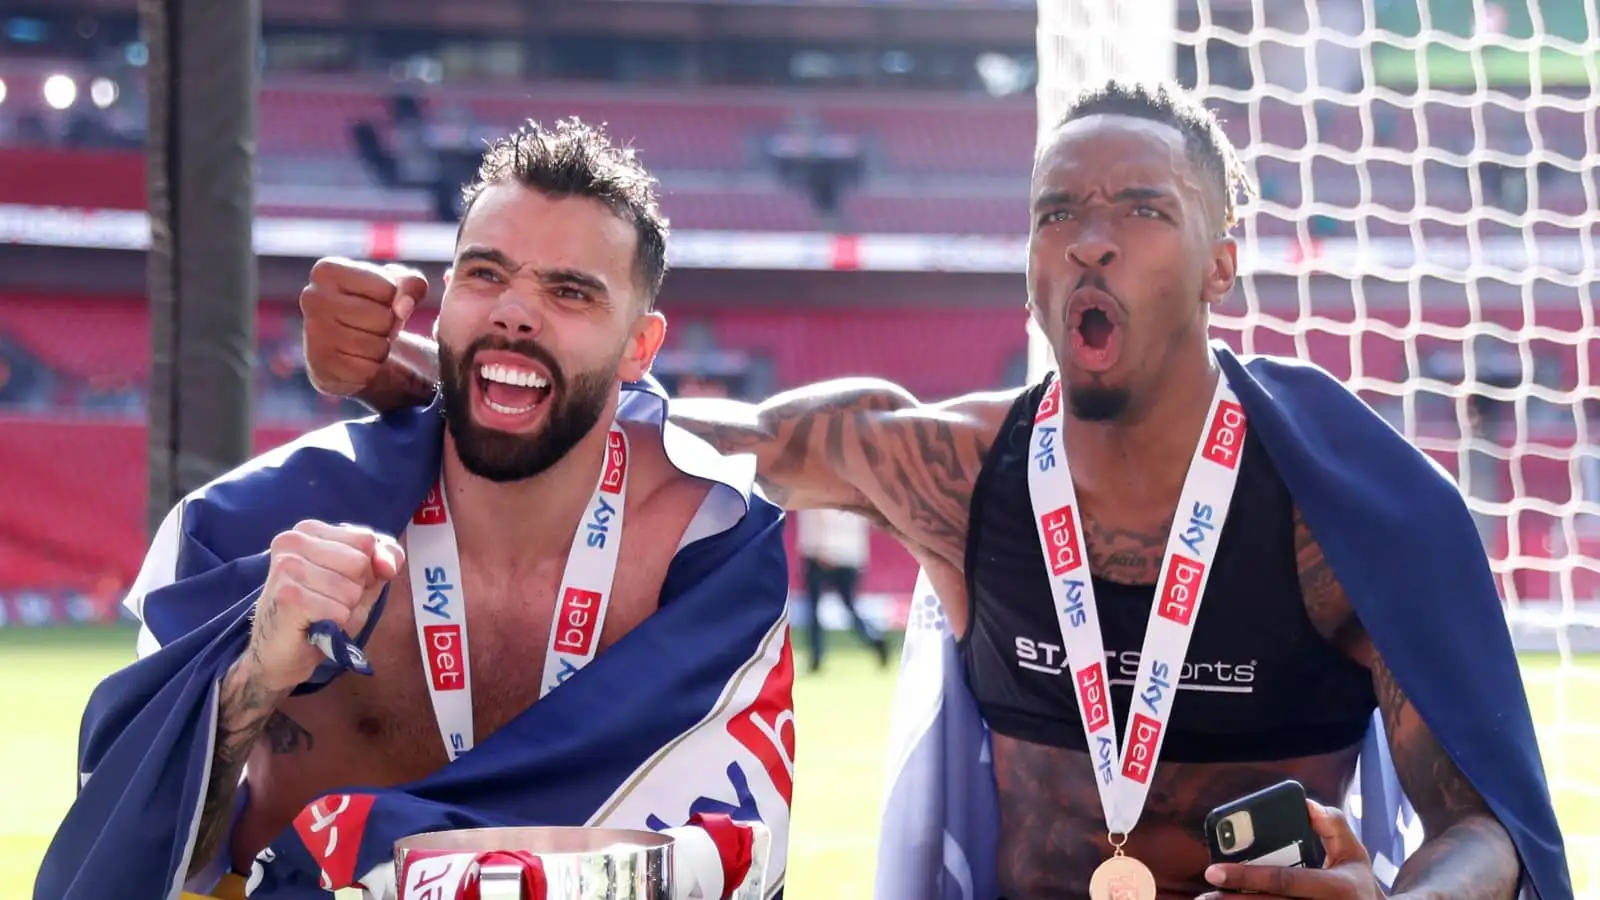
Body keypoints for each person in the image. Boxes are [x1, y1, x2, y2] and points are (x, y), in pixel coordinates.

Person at [295, 83, 1571, 900]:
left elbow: (1486, 826)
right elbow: (674, 433)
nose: (1088, 235)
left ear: (1223, 261)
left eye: (1140, 207)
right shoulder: (948, 471)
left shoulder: (1337, 510)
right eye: (1055, 209)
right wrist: (428, 368)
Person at [37, 120, 795, 900]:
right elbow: (127, 857)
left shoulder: (709, 546)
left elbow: (730, 855)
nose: (514, 313)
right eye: (484, 275)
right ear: (442, 303)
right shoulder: (248, 526)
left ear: (641, 346)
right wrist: (251, 684)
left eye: (569, 291)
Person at [794, 507, 888, 671]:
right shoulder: (855, 489)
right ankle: (874, 639)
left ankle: (816, 656)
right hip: (849, 556)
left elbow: (820, 517)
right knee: (848, 608)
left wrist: (822, 548)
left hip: (821, 554)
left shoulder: (816, 486)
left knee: (815, 610)